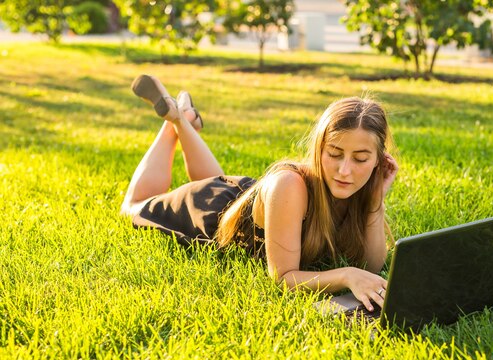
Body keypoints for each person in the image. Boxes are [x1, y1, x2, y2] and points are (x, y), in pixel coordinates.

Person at [121, 75, 399, 311]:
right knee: (133, 207)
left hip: (244, 198)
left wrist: (376, 203)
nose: (345, 171)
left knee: (214, 180)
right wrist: (346, 276)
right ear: (318, 150)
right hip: (209, 215)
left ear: (378, 160)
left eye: (361, 159)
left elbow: (372, 265)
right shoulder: (290, 185)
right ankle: (173, 121)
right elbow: (282, 277)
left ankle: (184, 118)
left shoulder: (363, 187)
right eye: (335, 154)